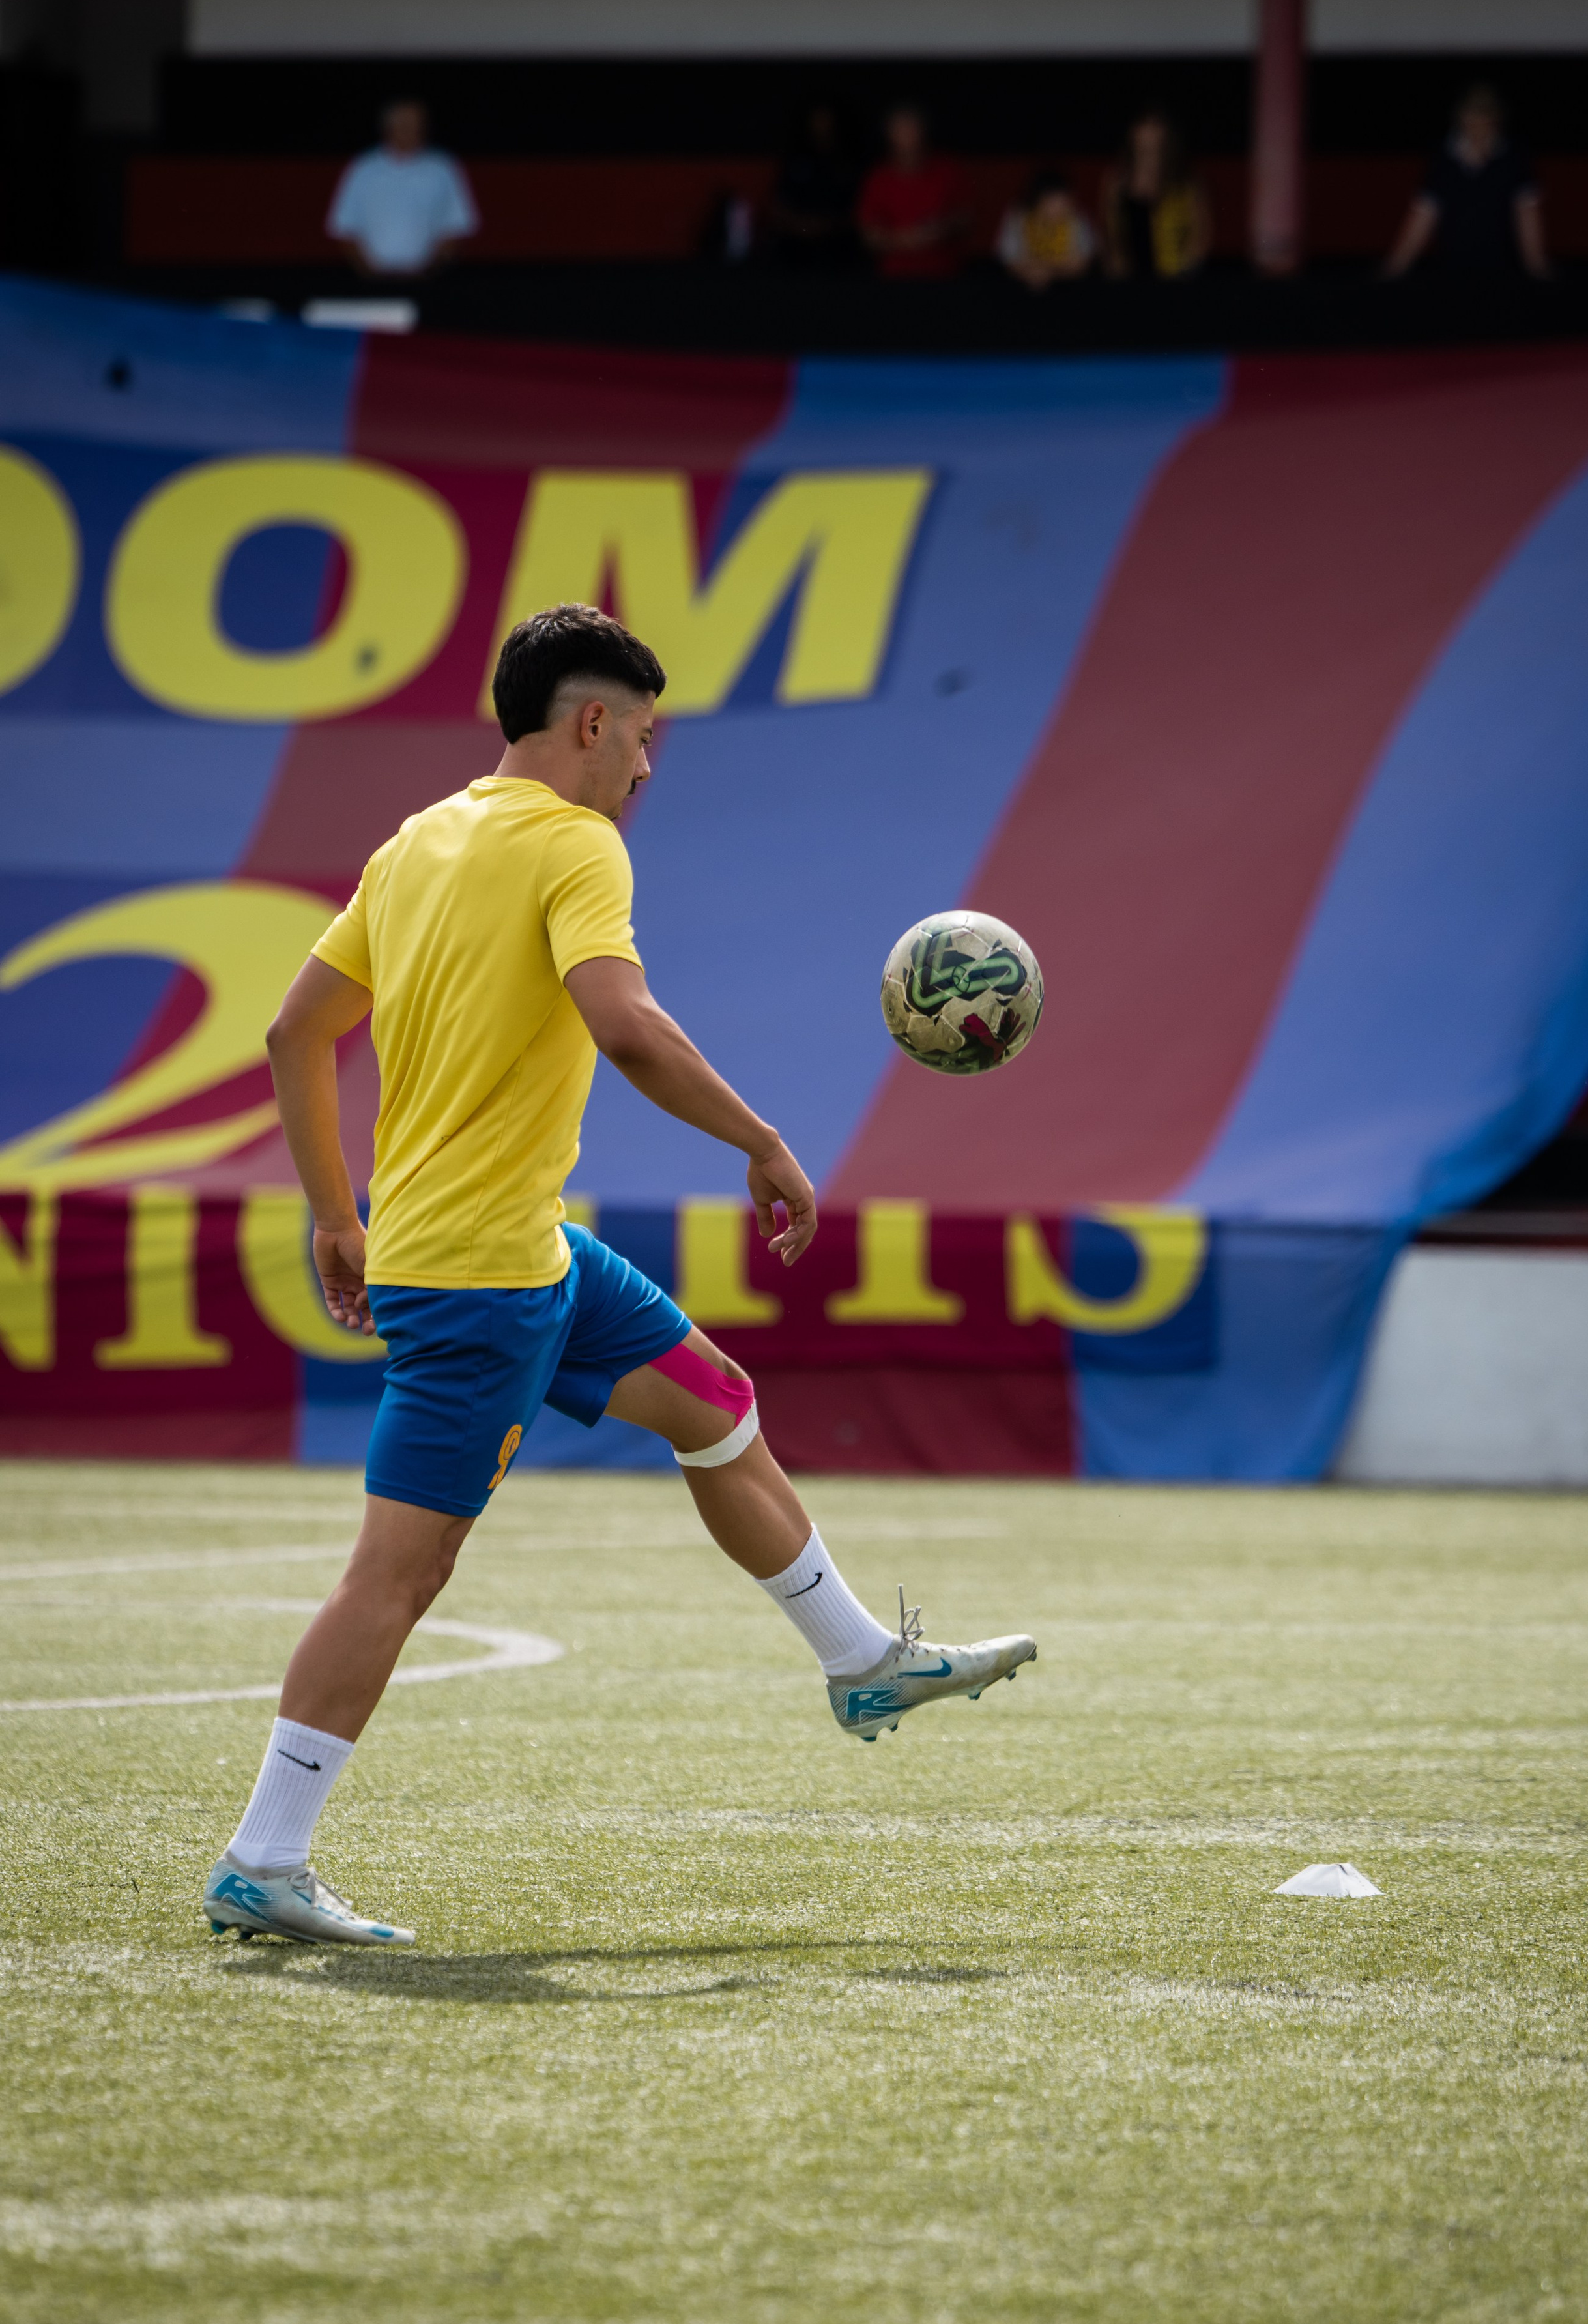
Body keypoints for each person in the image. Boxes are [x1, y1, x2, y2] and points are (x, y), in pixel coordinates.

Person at [201, 603, 1037, 1949]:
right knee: (395, 1581)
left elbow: (296, 1029)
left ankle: (858, 1665)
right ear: (592, 724)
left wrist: (330, 1214)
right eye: (644, 738)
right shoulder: (574, 842)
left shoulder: (419, 839)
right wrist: (762, 1141)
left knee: (714, 1401)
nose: (648, 768)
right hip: (480, 1282)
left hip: (516, 1247)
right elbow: (625, 1027)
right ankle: (264, 1855)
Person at [1381, 83, 1550, 282]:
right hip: (1451, 273)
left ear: (1497, 118)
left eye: (1485, 114)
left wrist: (1538, 268)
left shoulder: (1514, 158)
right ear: (1460, 116)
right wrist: (1393, 270)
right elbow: (1422, 218)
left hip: (1503, 273)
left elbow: (1527, 218)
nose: (1478, 122)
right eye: (1473, 113)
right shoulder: (1443, 160)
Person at [326, 99, 478, 279]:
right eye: (406, 123)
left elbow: (455, 226)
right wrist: (369, 274)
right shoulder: (364, 168)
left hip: (427, 280)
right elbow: (345, 227)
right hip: (371, 281)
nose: (413, 129)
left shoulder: (442, 168)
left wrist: (429, 272)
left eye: (419, 123)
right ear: (387, 126)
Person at [858, 105, 969, 280]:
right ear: (889, 134)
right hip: (894, 276)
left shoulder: (949, 170)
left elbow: (966, 218)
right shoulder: (878, 177)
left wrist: (942, 229)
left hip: (943, 274)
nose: (908, 136)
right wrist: (902, 240)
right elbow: (868, 233)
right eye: (901, 129)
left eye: (912, 128)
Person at [1099, 113, 1211, 280]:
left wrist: (1187, 268)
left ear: (1167, 132)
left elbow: (1203, 232)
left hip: (1175, 279)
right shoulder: (1117, 181)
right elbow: (1107, 230)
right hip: (1128, 281)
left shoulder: (1186, 182)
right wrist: (1113, 262)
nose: (1148, 133)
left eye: (1155, 125)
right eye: (1143, 124)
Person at [768, 104, 861, 270]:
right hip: (795, 241)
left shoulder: (846, 162)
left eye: (826, 120)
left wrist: (827, 226)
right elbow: (779, 204)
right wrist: (800, 226)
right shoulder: (795, 159)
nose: (822, 126)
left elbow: (856, 210)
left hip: (836, 243)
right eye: (818, 120)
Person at [996, 169, 1098, 291]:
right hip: (1023, 286)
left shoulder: (1077, 219)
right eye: (1052, 202)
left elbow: (1082, 263)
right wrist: (1031, 273)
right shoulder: (1019, 217)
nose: (1059, 210)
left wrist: (1049, 272)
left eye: (1064, 202)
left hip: (1069, 287)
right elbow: (1008, 259)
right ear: (1036, 200)